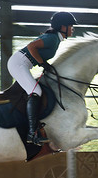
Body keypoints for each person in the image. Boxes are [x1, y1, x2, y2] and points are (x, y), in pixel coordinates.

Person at [8, 11, 77, 145]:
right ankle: (32, 134)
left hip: (22, 63)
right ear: (63, 27)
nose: (73, 29)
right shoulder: (52, 38)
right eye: (71, 26)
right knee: (36, 92)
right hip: (19, 63)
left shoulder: (55, 39)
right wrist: (42, 63)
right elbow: (31, 47)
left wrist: (43, 64)